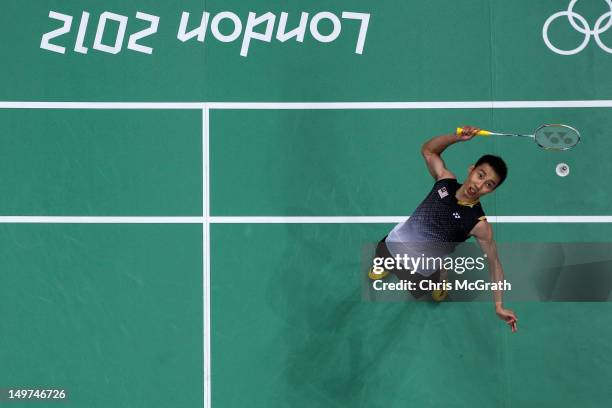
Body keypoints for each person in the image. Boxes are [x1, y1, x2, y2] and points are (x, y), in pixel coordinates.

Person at [369, 126, 518, 332]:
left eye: (489, 185)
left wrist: (499, 305)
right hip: (395, 243)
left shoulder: (478, 224)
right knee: (382, 256)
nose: (480, 184)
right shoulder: (444, 181)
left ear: (491, 191)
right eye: (480, 175)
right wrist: (457, 137)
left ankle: (441, 279)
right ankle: (386, 265)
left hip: (424, 267)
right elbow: (428, 151)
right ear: (471, 169)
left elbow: (494, 264)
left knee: (427, 285)